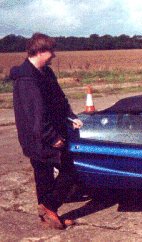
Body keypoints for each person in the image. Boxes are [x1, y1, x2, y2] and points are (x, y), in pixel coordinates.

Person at [10, 33, 83, 229]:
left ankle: (50, 216)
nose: (53, 55)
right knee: (70, 171)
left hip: (46, 134)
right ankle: (49, 207)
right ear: (40, 51)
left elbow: (60, 99)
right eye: (51, 51)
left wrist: (71, 116)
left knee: (44, 177)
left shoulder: (46, 73)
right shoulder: (27, 79)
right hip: (39, 137)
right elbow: (36, 114)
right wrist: (52, 138)